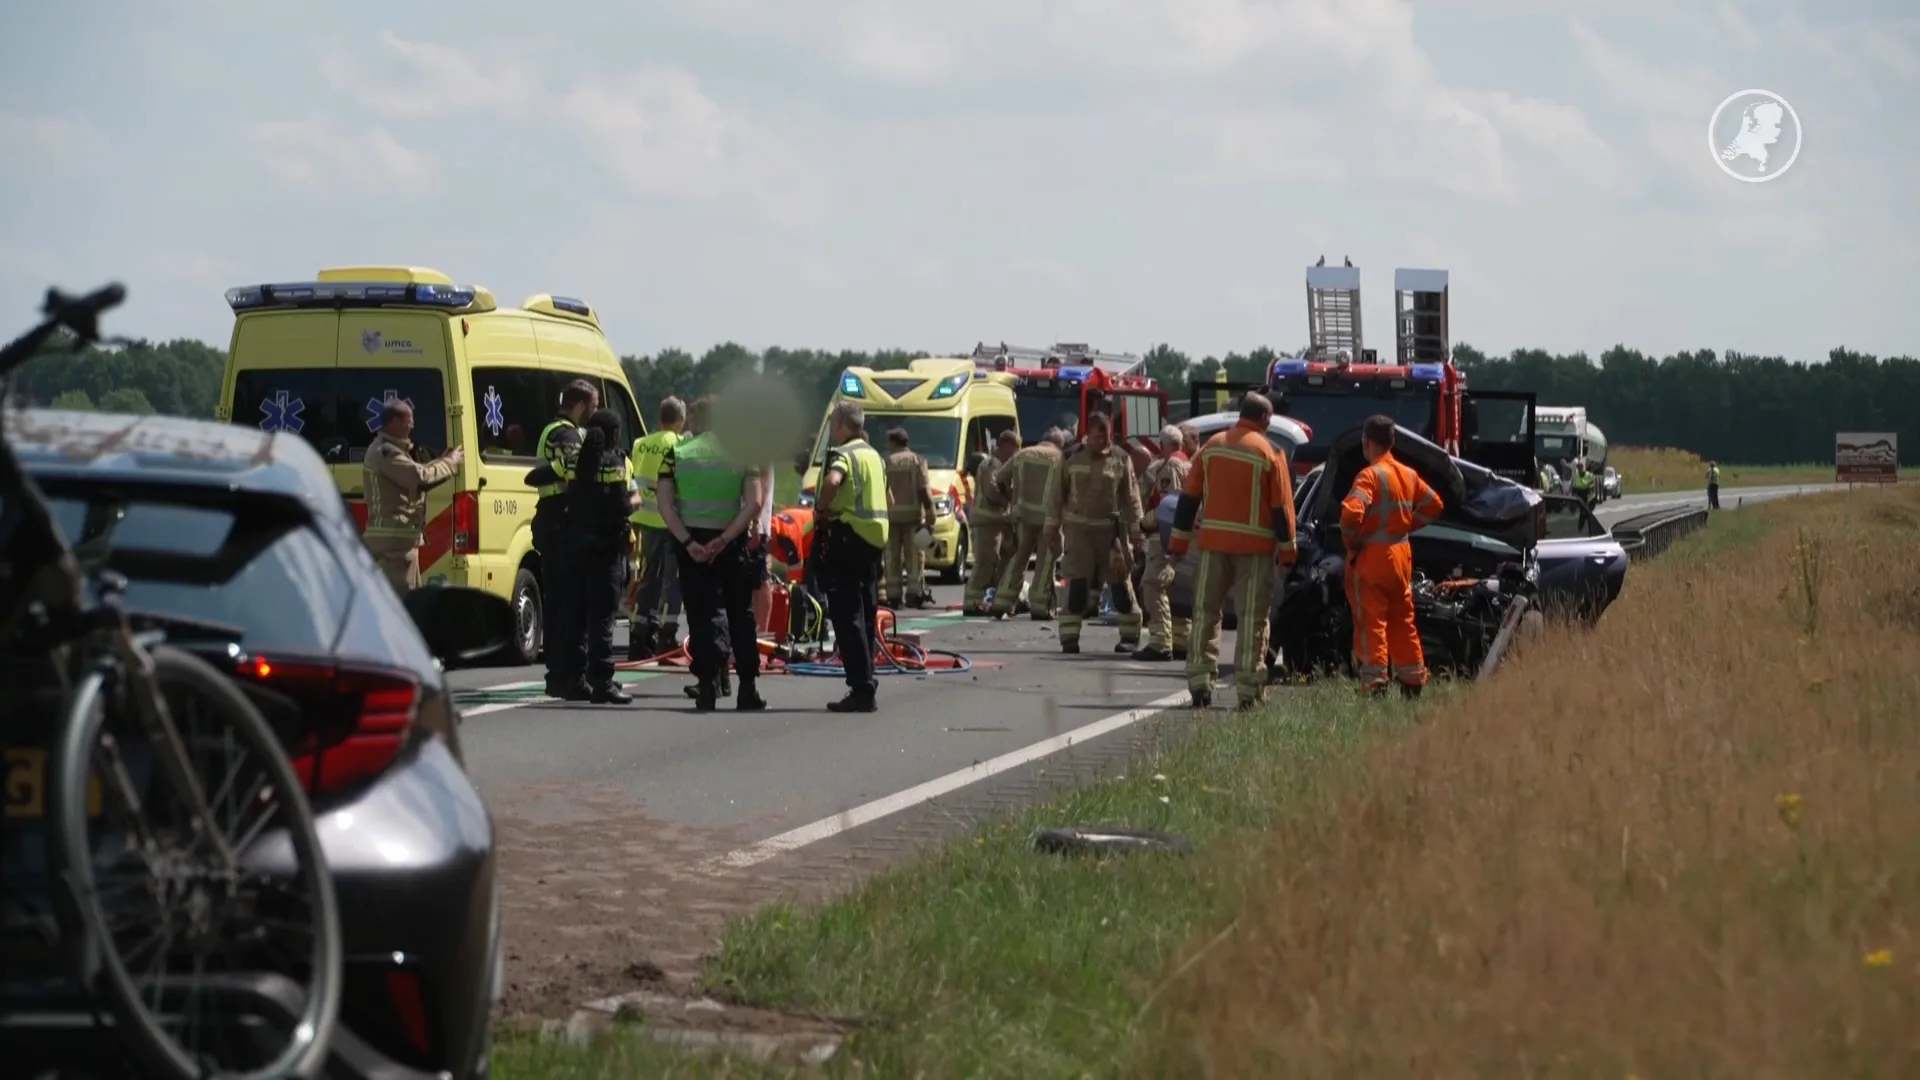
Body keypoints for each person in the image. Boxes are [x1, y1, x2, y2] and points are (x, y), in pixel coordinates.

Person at [1170, 393, 1295, 710]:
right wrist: (1288, 552)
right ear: (1265, 419)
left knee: (1206, 613)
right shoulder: (1271, 452)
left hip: (1213, 548)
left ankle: (1200, 681)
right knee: (1253, 619)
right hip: (1254, 552)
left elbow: (1188, 499)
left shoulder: (1211, 447)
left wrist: (1179, 543)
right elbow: (1282, 509)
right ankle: (1249, 690)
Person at [656, 396, 767, 712]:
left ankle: (707, 687)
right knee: (740, 615)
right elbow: (754, 504)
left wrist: (689, 542)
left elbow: (665, 505)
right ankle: (747, 688)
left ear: (693, 420)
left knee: (701, 615)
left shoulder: (676, 453)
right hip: (730, 542)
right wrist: (724, 539)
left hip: (691, 543)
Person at [1339, 415, 1444, 699]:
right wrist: (1407, 525)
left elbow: (1351, 513)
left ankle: (1375, 684)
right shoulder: (1407, 474)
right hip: (1401, 560)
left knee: (1372, 622)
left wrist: (1351, 540)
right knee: (1403, 620)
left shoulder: (1369, 475)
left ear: (1366, 442)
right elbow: (1434, 505)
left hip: (1373, 561)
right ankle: (1412, 681)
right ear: (1393, 441)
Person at [812, 400, 890, 713]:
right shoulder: (874, 456)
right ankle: (867, 676)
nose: (832, 429)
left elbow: (832, 481)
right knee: (866, 613)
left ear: (843, 424)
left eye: (833, 424)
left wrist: (820, 510)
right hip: (874, 541)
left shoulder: (843, 455)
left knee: (847, 616)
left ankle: (861, 687)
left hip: (848, 538)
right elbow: (888, 497)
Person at [562, 410, 638, 704]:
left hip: (575, 546)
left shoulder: (575, 461)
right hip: (605, 549)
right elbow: (621, 505)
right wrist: (631, 504)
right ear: (615, 434)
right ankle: (603, 682)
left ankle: (576, 680)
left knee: (576, 616)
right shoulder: (614, 463)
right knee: (602, 619)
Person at [1051, 412, 1142, 655]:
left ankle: (1130, 637)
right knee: (1077, 589)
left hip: (1110, 534)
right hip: (1078, 533)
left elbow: (1131, 499)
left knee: (1121, 587)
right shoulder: (1070, 457)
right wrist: (1051, 530)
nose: (1104, 441)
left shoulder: (1121, 459)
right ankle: (1069, 638)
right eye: (1099, 436)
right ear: (1088, 435)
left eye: (1107, 435)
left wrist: (1135, 534)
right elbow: (1056, 495)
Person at [534, 379, 599, 697]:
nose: (595, 412)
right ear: (582, 405)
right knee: (569, 603)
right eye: (594, 406)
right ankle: (564, 675)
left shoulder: (554, 429)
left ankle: (559, 674)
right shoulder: (566, 434)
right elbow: (578, 476)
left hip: (552, 519)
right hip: (560, 519)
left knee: (559, 601)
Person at [361, 398, 463, 594]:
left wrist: (441, 461)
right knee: (403, 606)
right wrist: (450, 463)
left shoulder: (392, 451)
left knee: (412, 601)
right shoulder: (385, 452)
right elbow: (420, 477)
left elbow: (419, 475)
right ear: (394, 422)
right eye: (409, 420)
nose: (413, 425)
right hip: (394, 545)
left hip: (402, 543)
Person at [627, 396, 687, 661]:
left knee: (647, 580)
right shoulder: (680, 444)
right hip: (669, 520)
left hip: (642, 519)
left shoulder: (640, 444)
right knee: (671, 582)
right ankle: (666, 636)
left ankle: (639, 635)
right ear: (680, 420)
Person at [988, 427, 1067, 620]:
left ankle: (1002, 601)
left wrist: (1011, 497)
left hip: (1023, 517)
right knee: (1045, 561)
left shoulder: (1022, 454)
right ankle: (1040, 606)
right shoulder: (1061, 459)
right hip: (1049, 519)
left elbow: (1000, 478)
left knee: (1018, 559)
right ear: (1058, 444)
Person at [1133, 424, 1191, 662]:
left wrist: (1142, 523)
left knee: (1153, 585)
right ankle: (1181, 641)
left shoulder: (1170, 467)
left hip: (1164, 537)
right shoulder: (1190, 464)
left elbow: (1169, 506)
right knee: (1176, 589)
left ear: (1163, 445)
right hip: (1186, 538)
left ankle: (1159, 642)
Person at [962, 430, 1020, 615]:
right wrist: (1009, 499)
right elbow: (992, 491)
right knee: (986, 562)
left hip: (999, 521)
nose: (1017, 452)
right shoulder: (991, 465)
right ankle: (973, 602)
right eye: (1016, 447)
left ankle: (990, 599)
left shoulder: (1001, 465)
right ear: (1006, 446)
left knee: (999, 561)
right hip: (987, 522)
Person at [881, 428, 936, 608]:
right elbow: (923, 489)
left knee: (892, 557)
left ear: (894, 442)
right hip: (913, 517)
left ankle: (894, 595)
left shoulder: (887, 462)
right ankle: (914, 593)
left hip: (891, 517)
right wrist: (930, 512)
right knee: (914, 558)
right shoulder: (917, 461)